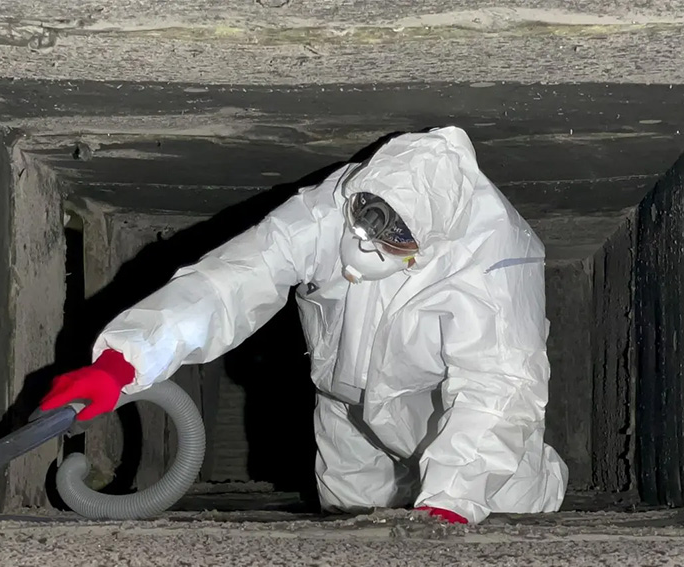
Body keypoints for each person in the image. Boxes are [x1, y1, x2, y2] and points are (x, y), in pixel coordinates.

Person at [39, 126, 568, 524]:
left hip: (437, 409)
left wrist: (451, 505)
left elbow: (499, 388)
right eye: (365, 219)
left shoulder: (497, 261)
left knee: (507, 512)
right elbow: (235, 279)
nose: (364, 242)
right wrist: (123, 361)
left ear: (431, 245)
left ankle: (541, 484)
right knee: (351, 526)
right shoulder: (331, 205)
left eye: (392, 239)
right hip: (343, 406)